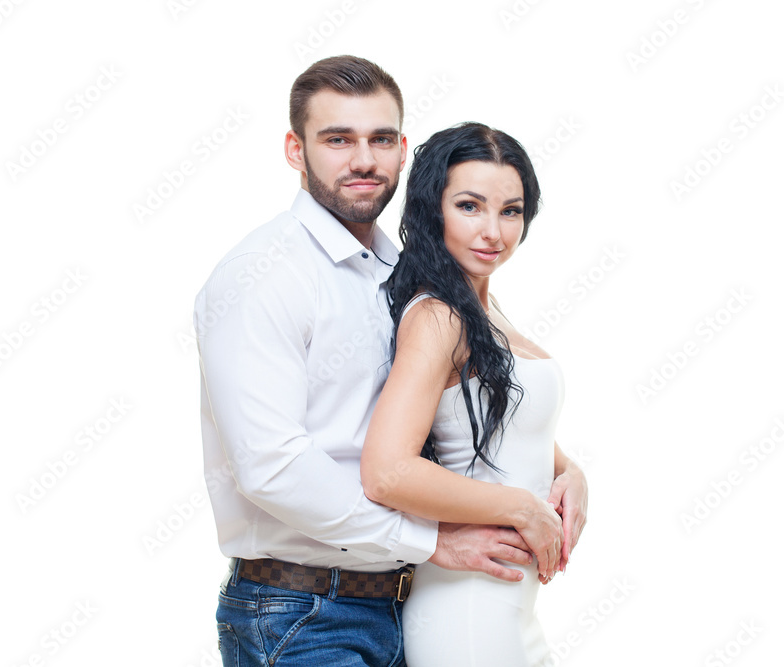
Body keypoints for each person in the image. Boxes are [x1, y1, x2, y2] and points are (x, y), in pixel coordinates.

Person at [194, 56, 587, 667]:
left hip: (401, 603)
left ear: (403, 150)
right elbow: (271, 466)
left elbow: (454, 400)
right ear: (295, 151)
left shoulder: (401, 273)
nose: (363, 160)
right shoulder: (263, 276)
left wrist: (565, 470)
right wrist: (430, 539)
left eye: (380, 139)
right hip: (300, 610)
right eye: (338, 140)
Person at [360, 122, 586, 666]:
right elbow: (387, 471)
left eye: (511, 210)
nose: (493, 231)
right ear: (430, 208)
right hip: (467, 612)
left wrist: (571, 472)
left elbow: (505, 423)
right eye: (469, 206)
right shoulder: (438, 316)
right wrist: (522, 509)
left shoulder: (482, 308)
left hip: (508, 604)